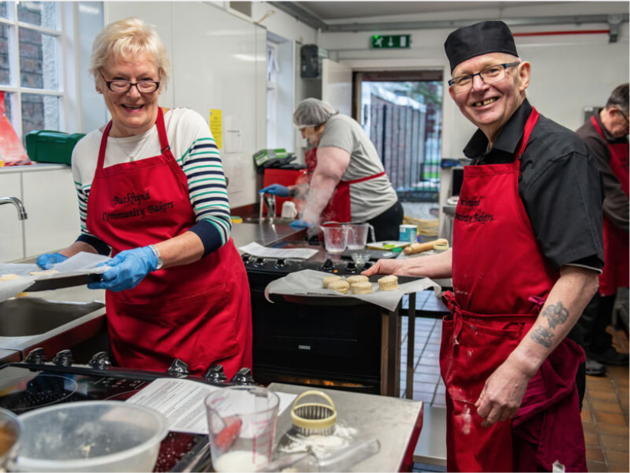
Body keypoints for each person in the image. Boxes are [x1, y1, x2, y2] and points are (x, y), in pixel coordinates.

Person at [364, 20, 604, 472]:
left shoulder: (558, 155)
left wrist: (519, 367)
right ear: (452, 92)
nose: (479, 87)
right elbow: (487, 255)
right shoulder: (483, 155)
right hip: (473, 351)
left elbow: (581, 276)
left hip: (527, 362)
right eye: (463, 79)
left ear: (522, 75)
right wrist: (401, 268)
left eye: (492, 70)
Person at [36, 17, 251, 378]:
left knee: (212, 422)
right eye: (119, 80)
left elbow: (216, 225)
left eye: (145, 80)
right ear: (99, 82)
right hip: (136, 319)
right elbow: (96, 238)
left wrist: (151, 256)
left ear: (160, 82)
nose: (133, 93)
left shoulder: (186, 129)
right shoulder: (86, 153)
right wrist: (67, 256)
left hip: (206, 314)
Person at [260, 98, 404, 241]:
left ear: (314, 123)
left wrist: (310, 216)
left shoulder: (338, 125)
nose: (303, 136)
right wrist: (289, 191)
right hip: (367, 217)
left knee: (372, 263)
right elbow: (325, 188)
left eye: (303, 129)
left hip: (375, 217)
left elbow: (326, 177)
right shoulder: (338, 127)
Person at [575, 84, 629, 374]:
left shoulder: (617, 137)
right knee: (592, 293)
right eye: (628, 124)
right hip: (597, 228)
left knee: (609, 294)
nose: (627, 132)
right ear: (612, 112)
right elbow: (612, 195)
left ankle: (600, 345)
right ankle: (581, 354)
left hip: (617, 230)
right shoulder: (590, 140)